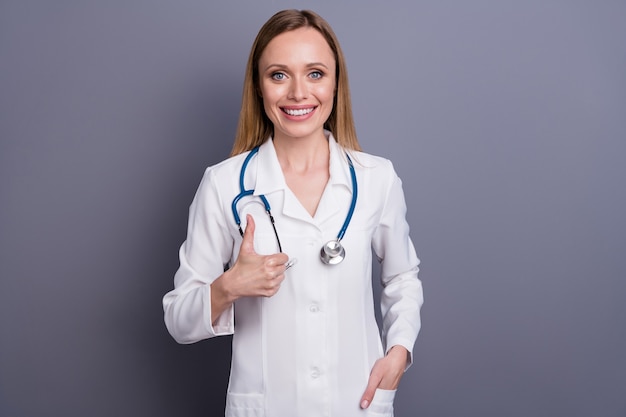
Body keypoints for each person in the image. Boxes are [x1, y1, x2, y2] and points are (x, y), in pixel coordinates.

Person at [163, 9, 423, 417]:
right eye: (279, 75)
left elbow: (402, 277)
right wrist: (229, 286)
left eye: (316, 73)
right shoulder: (224, 184)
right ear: (259, 88)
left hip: (356, 404)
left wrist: (400, 351)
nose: (298, 93)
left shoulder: (377, 178)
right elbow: (178, 319)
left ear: (336, 84)